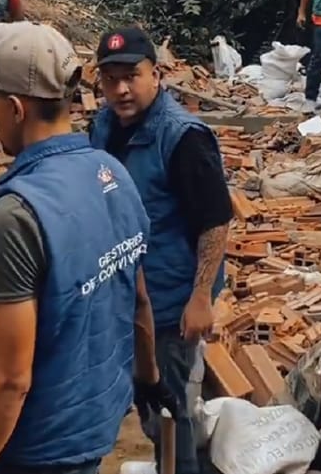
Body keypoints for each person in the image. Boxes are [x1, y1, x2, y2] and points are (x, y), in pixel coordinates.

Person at [0, 21, 176, 474]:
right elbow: (139, 299)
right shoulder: (111, 173)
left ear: (13, 108)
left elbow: (10, 380)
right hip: (97, 413)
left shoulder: (15, 215)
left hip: (39, 443)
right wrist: (148, 378)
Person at [89, 27, 232, 474]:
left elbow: (215, 220)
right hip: (126, 296)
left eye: (131, 76)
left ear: (156, 73)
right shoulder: (105, 126)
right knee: (149, 401)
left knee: (171, 411)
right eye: (110, 79)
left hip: (172, 301)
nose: (121, 89)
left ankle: (181, 467)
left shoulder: (183, 137)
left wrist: (200, 298)